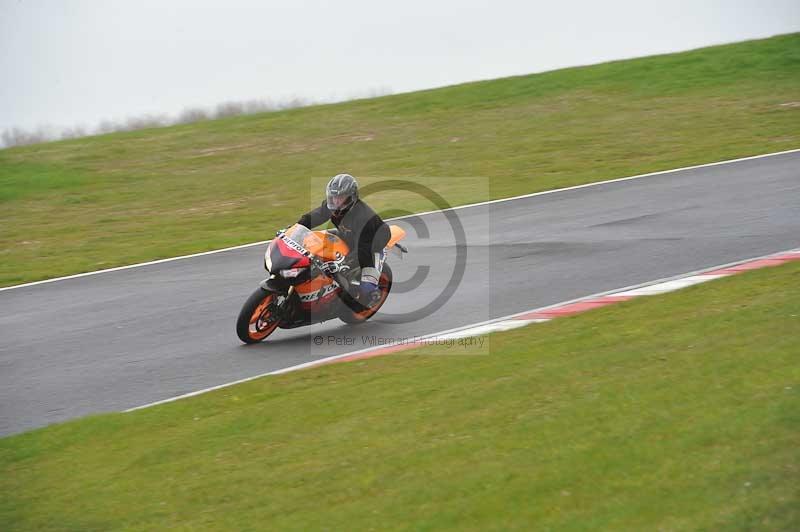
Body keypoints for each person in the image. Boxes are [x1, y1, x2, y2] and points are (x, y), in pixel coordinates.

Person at [297, 173, 390, 306]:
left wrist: (344, 263)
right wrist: (297, 226)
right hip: (349, 236)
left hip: (372, 243)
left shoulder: (364, 218)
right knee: (316, 242)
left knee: (367, 289)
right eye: (333, 197)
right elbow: (316, 215)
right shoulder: (333, 206)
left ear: (352, 197)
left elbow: (363, 250)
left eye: (340, 197)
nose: (335, 201)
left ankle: (370, 295)